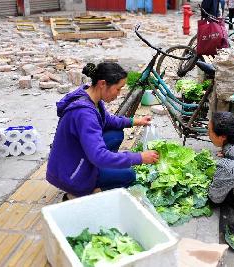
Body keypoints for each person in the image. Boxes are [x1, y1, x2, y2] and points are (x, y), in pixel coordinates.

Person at [46, 62, 159, 201]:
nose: (118, 94)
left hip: (68, 163)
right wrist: (139, 157)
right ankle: (78, 195)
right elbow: (99, 156)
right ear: (102, 84)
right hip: (70, 174)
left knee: (115, 134)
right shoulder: (84, 114)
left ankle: (96, 176)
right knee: (128, 175)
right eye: (118, 89)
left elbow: (108, 121)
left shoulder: (90, 96)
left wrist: (136, 121)